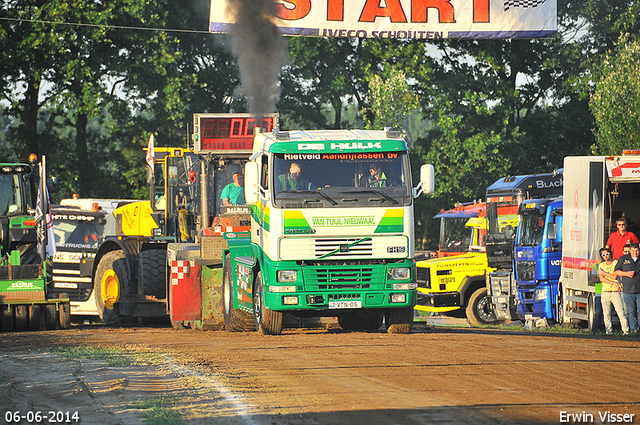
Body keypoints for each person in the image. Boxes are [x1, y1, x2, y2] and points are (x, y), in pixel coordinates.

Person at [597, 247, 630, 334]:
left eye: (607, 254)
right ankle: (608, 331)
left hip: (615, 292)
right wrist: (613, 281)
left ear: (610, 254)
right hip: (605, 292)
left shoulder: (616, 263)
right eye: (603, 255)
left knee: (621, 312)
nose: (605, 256)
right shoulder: (601, 265)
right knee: (606, 314)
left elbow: (614, 276)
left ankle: (626, 331)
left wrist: (604, 273)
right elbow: (601, 279)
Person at [614, 242, 640, 332]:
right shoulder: (624, 259)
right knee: (631, 312)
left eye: (636, 251)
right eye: (633, 251)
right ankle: (634, 330)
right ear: (630, 251)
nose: (635, 253)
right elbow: (616, 271)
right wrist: (626, 274)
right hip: (628, 290)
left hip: (639, 290)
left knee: (639, 311)